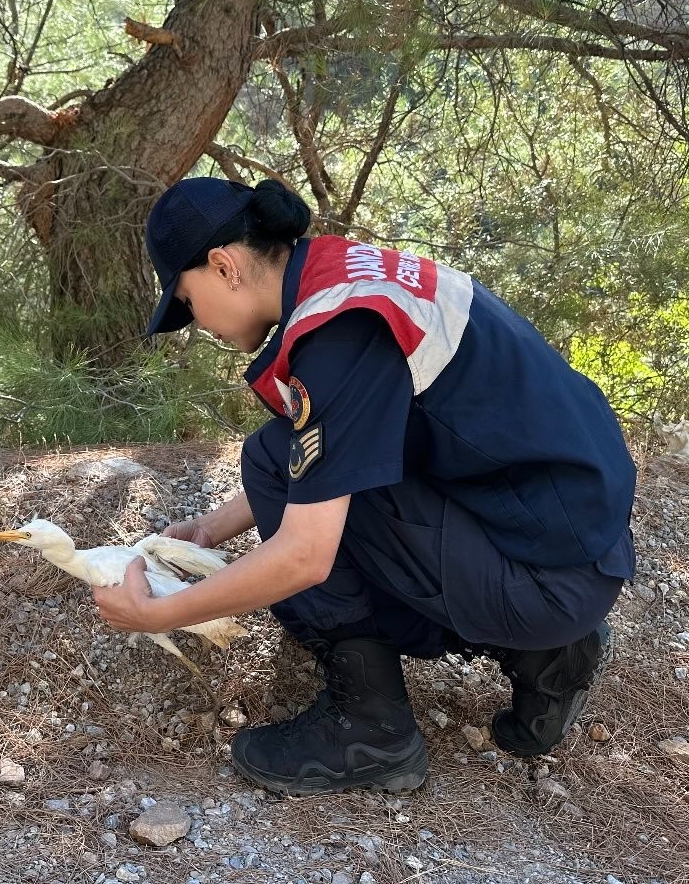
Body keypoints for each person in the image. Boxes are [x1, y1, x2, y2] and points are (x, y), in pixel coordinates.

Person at [90, 176, 636, 795]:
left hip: (542, 579)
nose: (195, 323)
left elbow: (304, 553)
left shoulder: (339, 332)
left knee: (273, 463)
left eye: (187, 302)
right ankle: (549, 653)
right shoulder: (348, 276)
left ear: (224, 266)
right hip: (575, 550)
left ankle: (369, 725)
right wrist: (214, 528)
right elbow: (351, 446)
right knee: (282, 461)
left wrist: (157, 613)